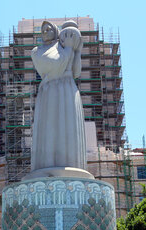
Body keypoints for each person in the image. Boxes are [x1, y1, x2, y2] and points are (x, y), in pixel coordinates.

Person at [25, 20, 93, 180]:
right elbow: (55, 65)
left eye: (49, 28)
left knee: (69, 127)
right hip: (50, 91)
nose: (46, 31)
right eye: (43, 29)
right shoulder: (37, 51)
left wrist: (77, 51)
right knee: (50, 129)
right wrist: (69, 48)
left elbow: (76, 72)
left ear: (56, 31)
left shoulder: (64, 46)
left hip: (69, 89)